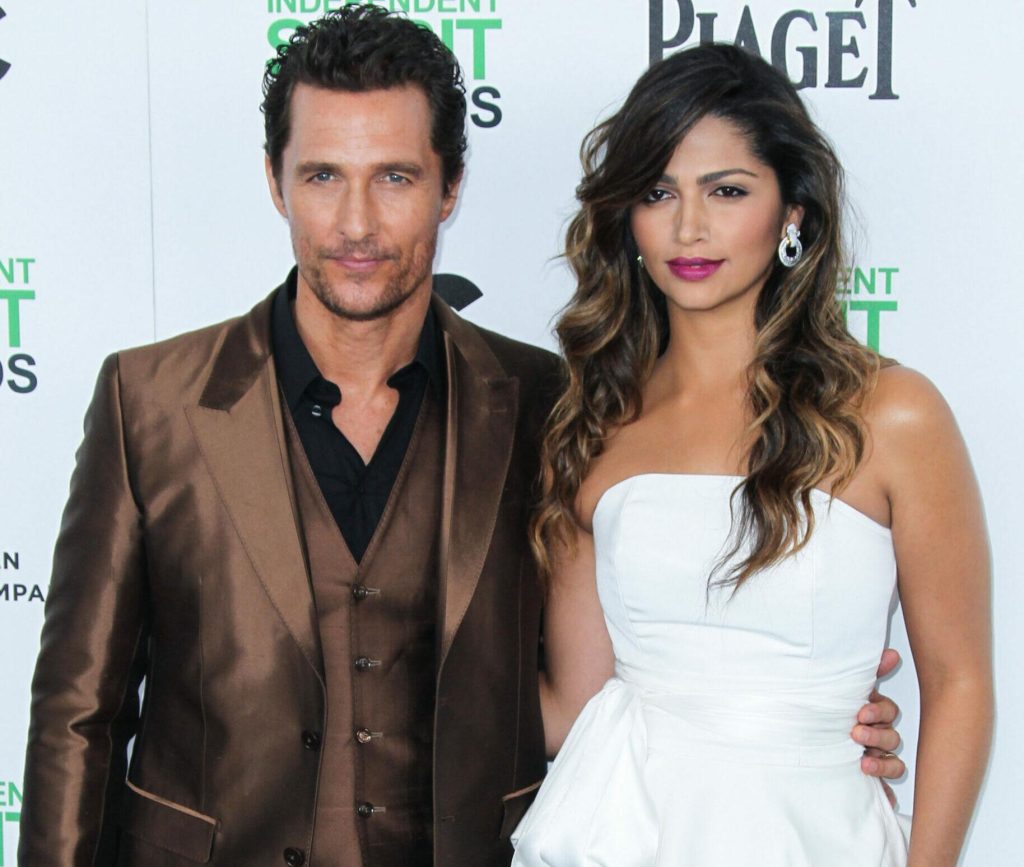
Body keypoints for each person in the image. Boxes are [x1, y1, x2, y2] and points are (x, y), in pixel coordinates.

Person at [18, 11, 908, 867]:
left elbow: (628, 648)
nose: (357, 224)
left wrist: (797, 710)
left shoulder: (550, 405)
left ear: (450, 187)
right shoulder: (151, 401)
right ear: (274, 180)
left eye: (395, 177)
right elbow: (76, 714)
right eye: (323, 176)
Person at [512, 43, 992, 867]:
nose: (689, 227)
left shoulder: (894, 415)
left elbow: (960, 684)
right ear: (627, 217)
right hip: (627, 838)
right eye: (658, 192)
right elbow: (574, 705)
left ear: (793, 212)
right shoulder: (594, 426)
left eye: (727, 190)